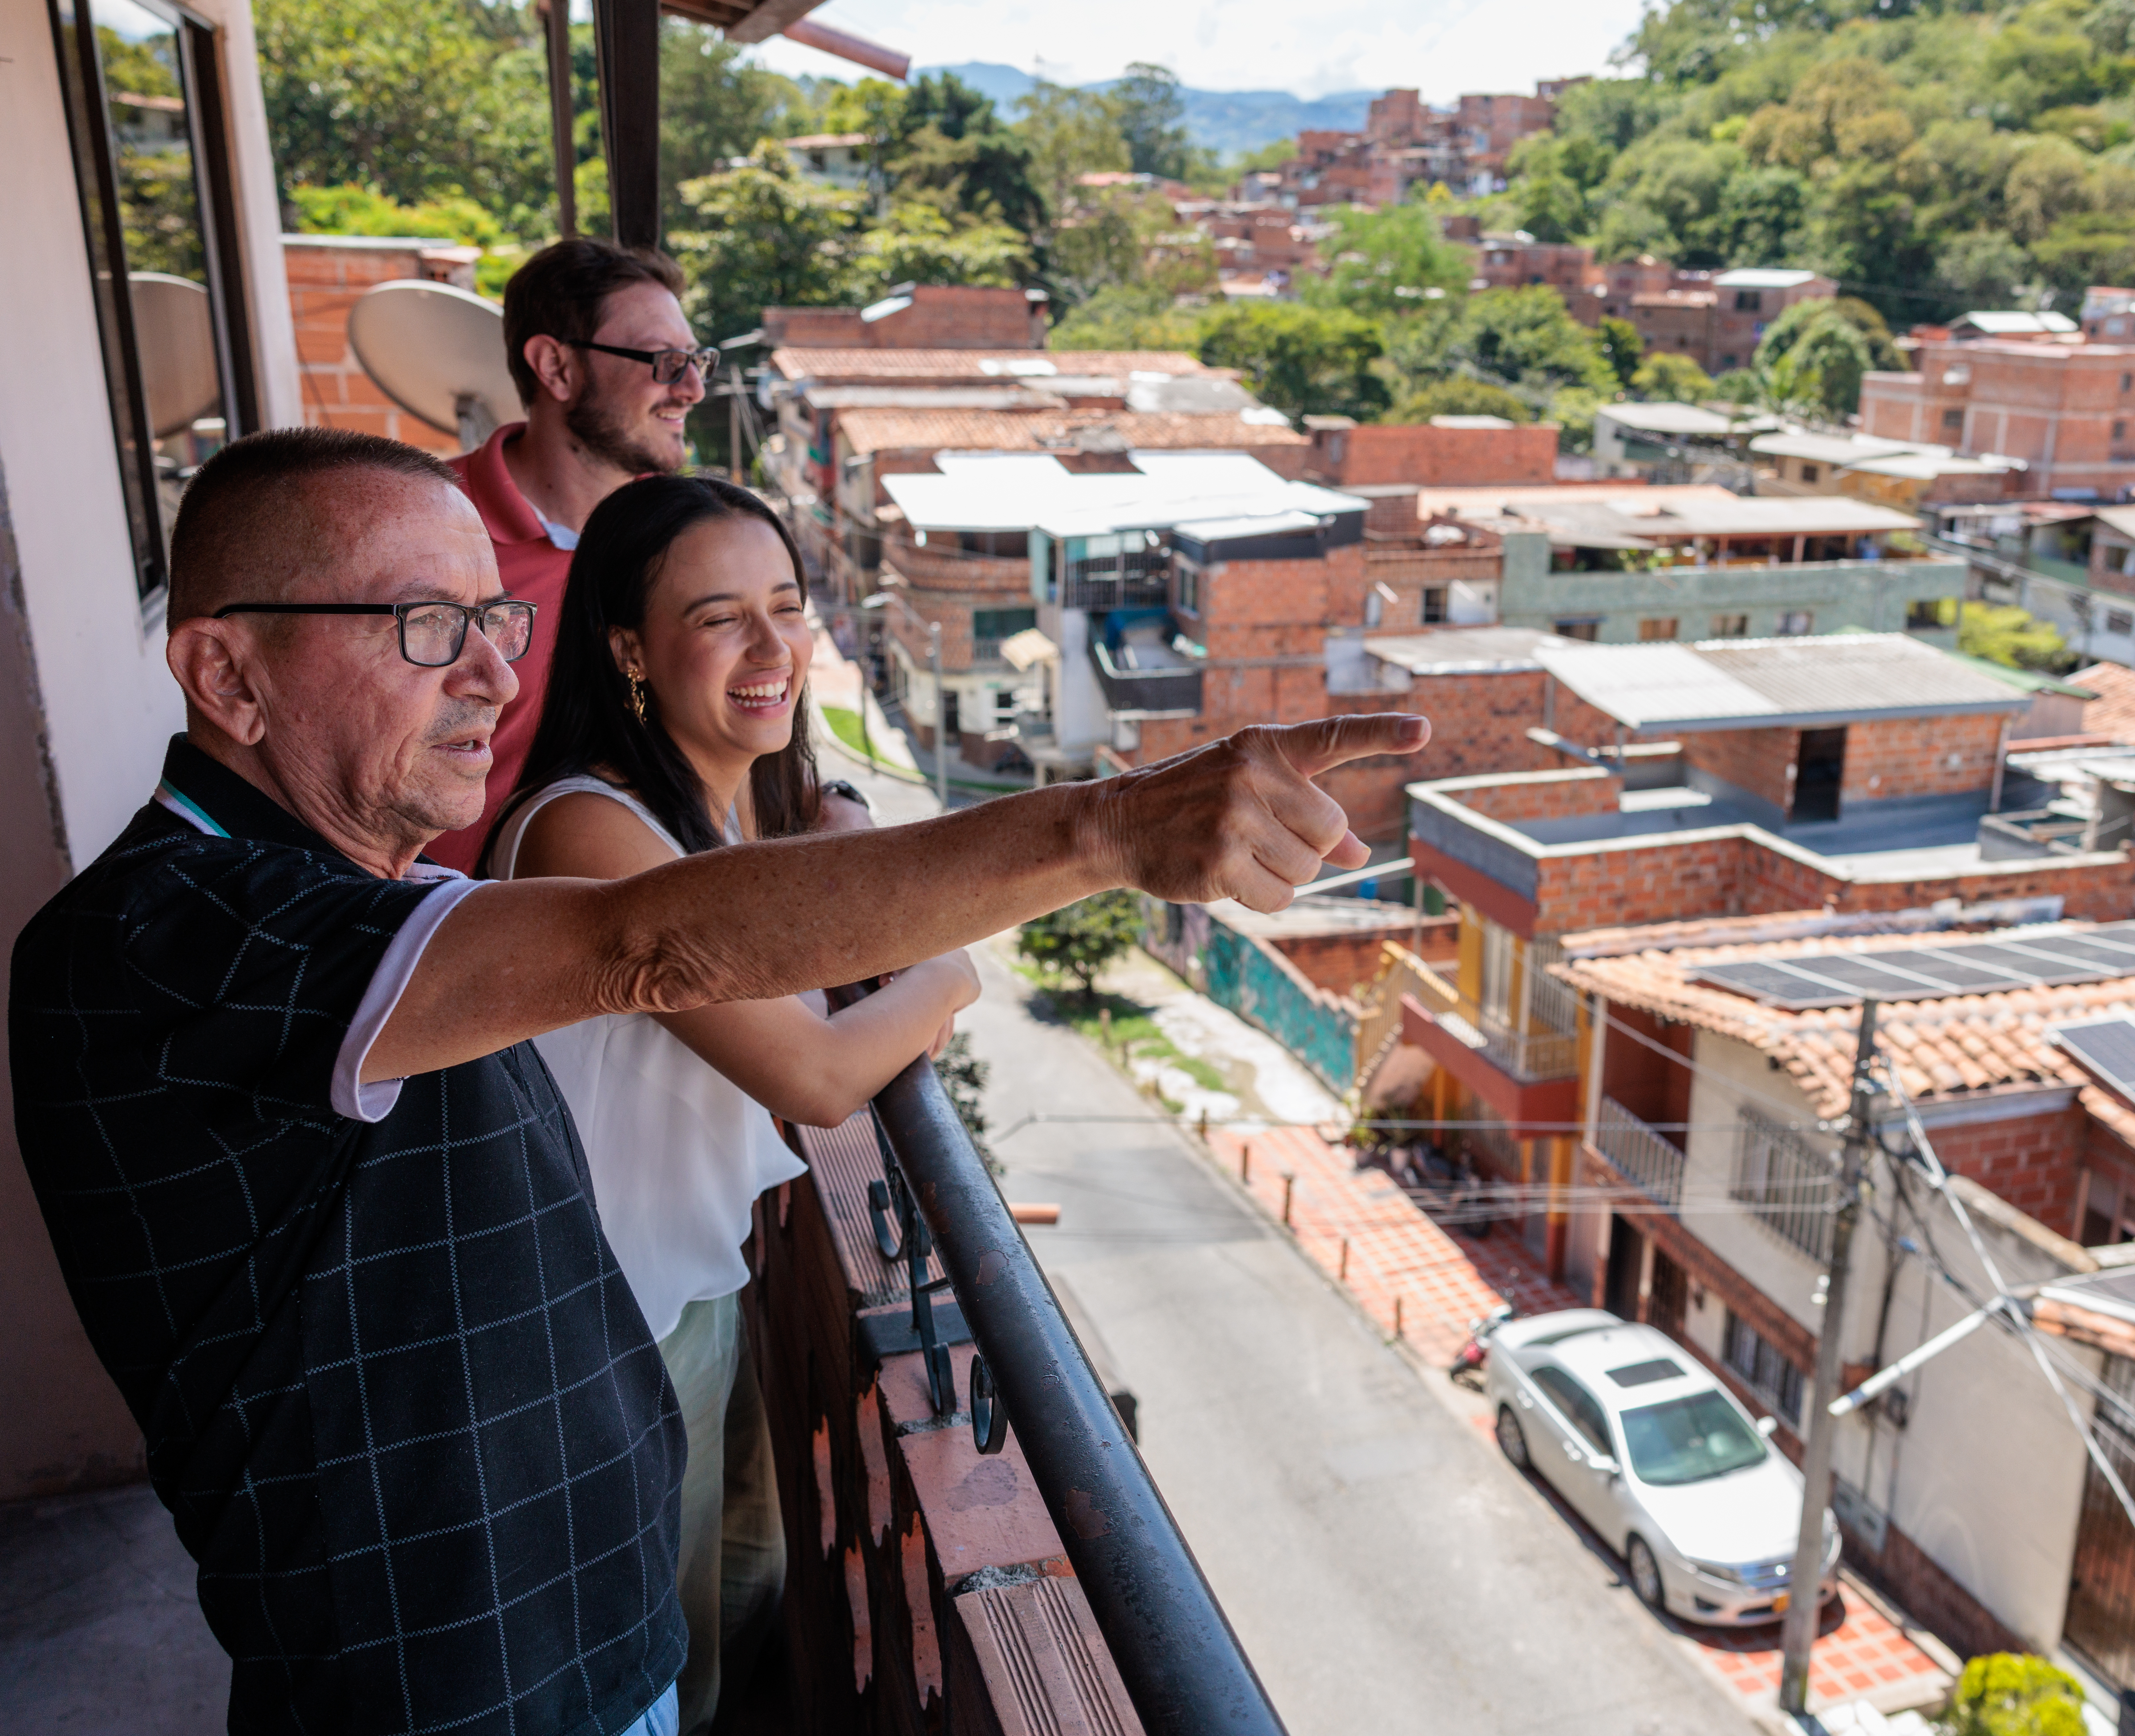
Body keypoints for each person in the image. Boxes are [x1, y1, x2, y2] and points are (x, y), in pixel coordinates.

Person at [8, 427, 1426, 1736]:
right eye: (424, 627)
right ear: (227, 674)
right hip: (450, 1684)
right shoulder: (174, 937)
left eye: (493, 621)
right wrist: (1109, 828)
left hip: (572, 1627)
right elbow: (653, 943)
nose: (493, 678)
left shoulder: (343, 895)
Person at [485, 474, 978, 1734]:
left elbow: (818, 865)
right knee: (662, 1661)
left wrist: (849, 823)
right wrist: (947, 966)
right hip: (604, 1330)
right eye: (721, 618)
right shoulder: (590, 833)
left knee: (745, 1589)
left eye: (787, 606)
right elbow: (817, 1079)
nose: (774, 651)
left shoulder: (720, 799)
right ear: (626, 648)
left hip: (698, 1284)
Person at [426, 239, 710, 871]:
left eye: (696, 361)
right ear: (555, 367)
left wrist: (834, 798)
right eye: (665, 361)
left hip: (656, 906)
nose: (692, 388)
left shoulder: (688, 540)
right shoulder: (422, 533)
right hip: (470, 932)